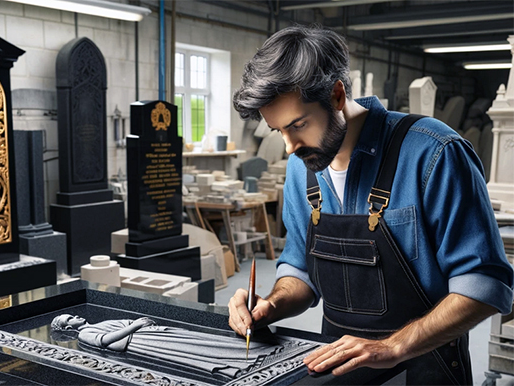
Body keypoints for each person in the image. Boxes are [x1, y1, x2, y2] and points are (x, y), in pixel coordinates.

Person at [228, 24, 513, 385]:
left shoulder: (435, 153)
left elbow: (486, 285)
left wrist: (393, 347)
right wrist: (271, 305)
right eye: (278, 130)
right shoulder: (302, 170)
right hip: (335, 371)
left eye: (298, 125)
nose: (289, 146)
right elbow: (300, 270)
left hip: (425, 372)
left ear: (336, 95)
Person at [50, 314, 284, 379]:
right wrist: (135, 327)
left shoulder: (96, 323)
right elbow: (105, 342)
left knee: (193, 339)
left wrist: (138, 324)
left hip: (148, 333)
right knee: (189, 351)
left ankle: (254, 351)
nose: (75, 317)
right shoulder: (86, 334)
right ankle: (235, 364)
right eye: (69, 319)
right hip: (143, 342)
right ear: (67, 329)